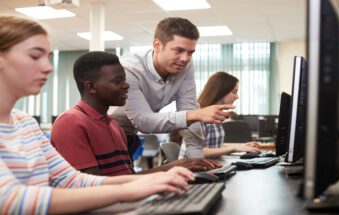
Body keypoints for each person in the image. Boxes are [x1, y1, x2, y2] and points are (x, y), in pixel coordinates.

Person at [0, 15, 193, 214]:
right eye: (34, 56)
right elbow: (10, 199)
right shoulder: (70, 122)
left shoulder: (26, 124)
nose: (48, 67)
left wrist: (153, 179)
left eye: (48, 58)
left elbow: (72, 180)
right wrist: (127, 190)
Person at [51, 51, 220, 176]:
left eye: (124, 79)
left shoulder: (113, 125)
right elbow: (92, 188)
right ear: (91, 87)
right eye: (118, 81)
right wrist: (168, 170)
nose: (126, 86)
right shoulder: (70, 123)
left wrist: (176, 166)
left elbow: (128, 178)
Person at [110, 17, 233, 159]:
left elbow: (188, 106)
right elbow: (144, 121)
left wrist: (197, 160)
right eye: (179, 50)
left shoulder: (183, 64)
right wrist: (195, 115)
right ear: (157, 45)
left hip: (129, 135)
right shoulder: (128, 69)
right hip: (101, 134)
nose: (185, 58)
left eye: (190, 52)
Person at [182, 72, 261, 158]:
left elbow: (214, 147)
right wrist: (234, 148)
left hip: (209, 166)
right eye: (234, 92)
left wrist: (242, 146)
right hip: (191, 169)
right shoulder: (199, 116)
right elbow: (192, 153)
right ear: (221, 92)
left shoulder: (216, 116)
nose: (237, 96)